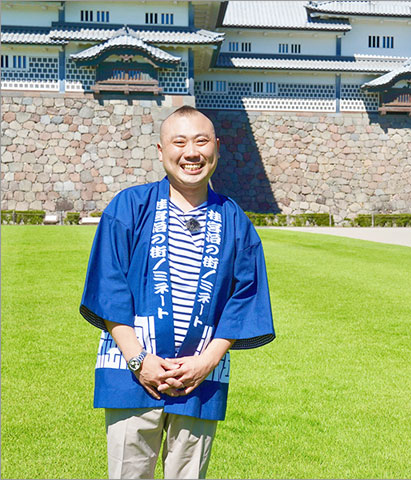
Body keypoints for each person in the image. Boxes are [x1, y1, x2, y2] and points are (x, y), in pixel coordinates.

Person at [80, 105, 275, 479]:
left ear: (217, 147)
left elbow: (245, 299)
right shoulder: (129, 207)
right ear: (160, 150)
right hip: (129, 373)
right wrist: (140, 361)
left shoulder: (236, 222)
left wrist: (206, 363)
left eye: (201, 141)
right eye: (179, 142)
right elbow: (109, 289)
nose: (191, 153)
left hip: (200, 380)